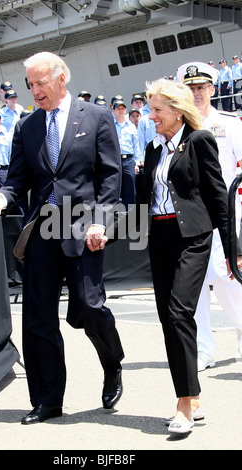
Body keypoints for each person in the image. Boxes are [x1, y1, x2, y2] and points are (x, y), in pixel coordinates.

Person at [0, 51, 124, 424]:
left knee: (89, 308)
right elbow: (17, 180)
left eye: (40, 82)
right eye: (30, 83)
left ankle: (113, 363)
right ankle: (47, 400)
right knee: (39, 317)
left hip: (85, 226)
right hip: (43, 230)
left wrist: (102, 221)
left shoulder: (96, 116)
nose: (34, 90)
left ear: (61, 79)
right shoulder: (26, 126)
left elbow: (110, 176)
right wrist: (3, 196)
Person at [138, 78, 230, 435]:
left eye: (158, 110)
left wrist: (235, 252)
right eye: (150, 109)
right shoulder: (152, 149)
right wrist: (110, 234)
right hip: (159, 239)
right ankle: (194, 398)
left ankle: (184, 405)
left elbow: (218, 196)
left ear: (178, 111)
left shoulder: (200, 140)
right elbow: (142, 202)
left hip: (192, 238)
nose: (152, 116)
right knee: (169, 319)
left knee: (179, 313)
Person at [177, 61, 242, 372]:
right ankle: (203, 350)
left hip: (227, 217)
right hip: (192, 220)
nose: (196, 93)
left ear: (213, 89)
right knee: (196, 288)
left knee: (235, 282)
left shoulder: (230, 124)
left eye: (201, 87)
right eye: (190, 88)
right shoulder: (178, 128)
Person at [113, 100, 142, 209]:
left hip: (129, 160)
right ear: (114, 110)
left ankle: (130, 214)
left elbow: (136, 145)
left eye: (122, 108)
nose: (121, 111)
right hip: (115, 160)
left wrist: (137, 163)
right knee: (115, 187)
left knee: (130, 187)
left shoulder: (131, 126)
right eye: (118, 108)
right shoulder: (111, 126)